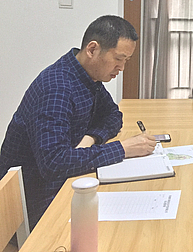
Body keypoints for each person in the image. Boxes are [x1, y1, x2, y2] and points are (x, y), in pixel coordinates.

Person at [0, 15, 156, 228]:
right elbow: (54, 163)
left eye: (126, 61)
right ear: (92, 49)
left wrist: (91, 137)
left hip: (66, 180)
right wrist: (122, 149)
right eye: (118, 59)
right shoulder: (57, 89)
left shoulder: (87, 76)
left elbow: (113, 115)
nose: (121, 68)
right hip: (38, 202)